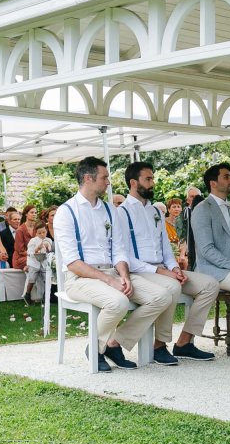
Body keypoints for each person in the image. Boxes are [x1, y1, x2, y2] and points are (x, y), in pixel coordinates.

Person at [54, 156, 170, 372]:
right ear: (88, 179)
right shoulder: (66, 212)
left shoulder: (110, 210)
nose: (108, 182)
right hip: (79, 278)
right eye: (104, 177)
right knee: (118, 302)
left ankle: (114, 343)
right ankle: (95, 349)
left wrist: (124, 276)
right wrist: (110, 280)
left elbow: (119, 250)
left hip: (113, 273)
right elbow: (72, 262)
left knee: (161, 296)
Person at [117, 162, 217, 363]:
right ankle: (160, 345)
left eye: (152, 178)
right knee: (172, 286)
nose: (153, 183)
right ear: (133, 182)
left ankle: (184, 343)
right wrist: (164, 273)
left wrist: (174, 268)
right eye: (148, 179)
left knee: (210, 285)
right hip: (139, 272)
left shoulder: (155, 211)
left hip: (163, 270)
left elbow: (165, 248)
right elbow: (125, 257)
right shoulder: (122, 212)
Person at [191, 162, 230, 357]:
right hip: (211, 270)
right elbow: (206, 250)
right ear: (213, 183)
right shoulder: (202, 209)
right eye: (226, 177)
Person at [21, 224, 52, 305]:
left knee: (47, 279)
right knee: (32, 279)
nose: (42, 234)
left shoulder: (48, 240)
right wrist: (38, 248)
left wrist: (47, 248)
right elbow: (30, 253)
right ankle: (27, 294)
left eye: (44, 232)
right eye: (39, 233)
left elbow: (49, 252)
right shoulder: (33, 241)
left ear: (46, 231)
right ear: (36, 233)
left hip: (44, 264)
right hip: (34, 263)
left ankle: (46, 297)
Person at [12, 205, 37, 269]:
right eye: (32, 212)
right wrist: (34, 255)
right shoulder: (20, 230)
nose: (34, 214)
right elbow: (21, 251)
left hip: (33, 256)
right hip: (20, 259)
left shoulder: (37, 228)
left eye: (35, 213)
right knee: (37, 259)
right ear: (26, 214)